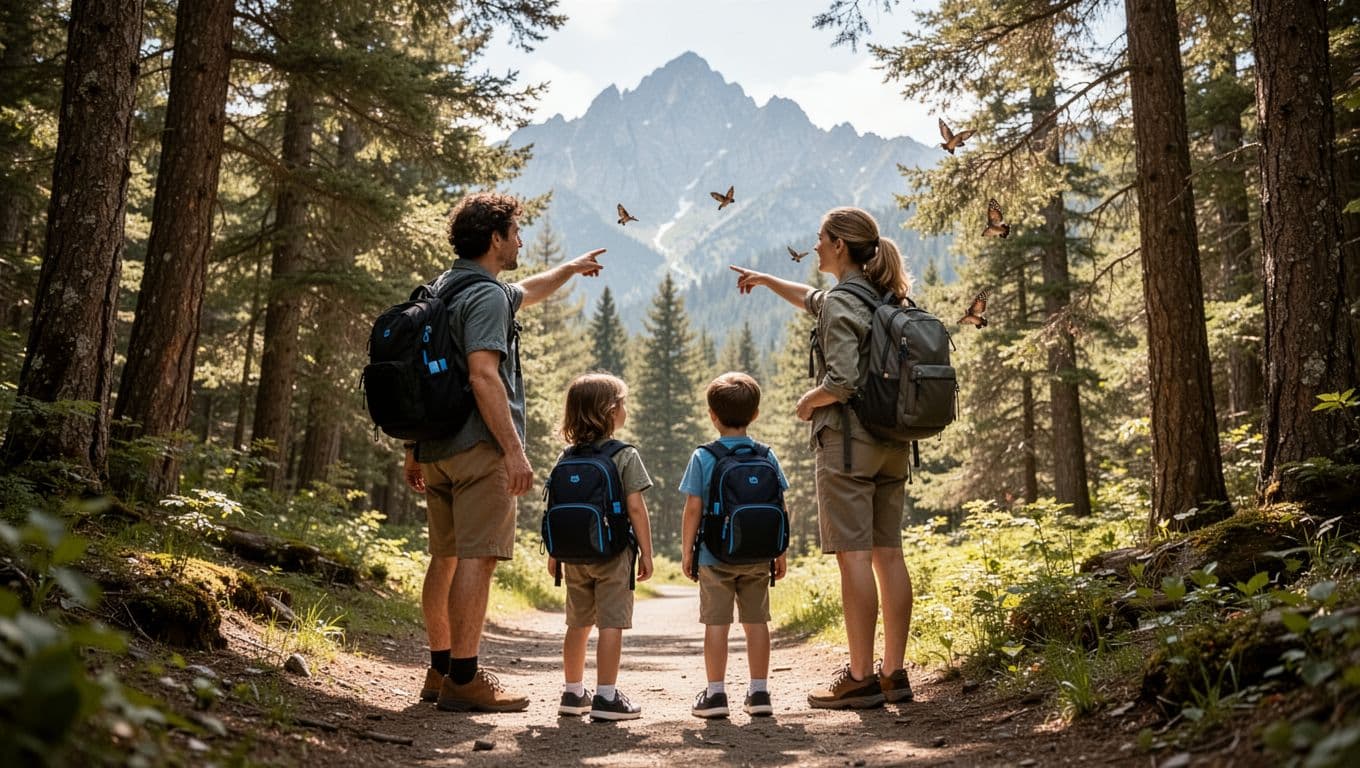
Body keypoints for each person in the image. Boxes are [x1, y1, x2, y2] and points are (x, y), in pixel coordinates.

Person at [403, 191, 605, 713]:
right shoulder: (486, 296)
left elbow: (527, 291)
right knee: (478, 558)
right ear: (495, 239)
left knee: (444, 557)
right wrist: (514, 452)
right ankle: (466, 680)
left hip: (436, 447)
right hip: (478, 448)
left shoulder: (442, 287)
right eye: (516, 233)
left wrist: (413, 447)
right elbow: (483, 374)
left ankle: (440, 668)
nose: (521, 241)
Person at [729, 206, 915, 709]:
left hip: (849, 445)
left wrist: (807, 402)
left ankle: (858, 677)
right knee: (889, 555)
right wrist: (768, 280)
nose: (813, 247)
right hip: (895, 444)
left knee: (854, 558)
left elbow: (842, 381)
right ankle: (894, 673)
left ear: (838, 245)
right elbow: (812, 301)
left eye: (819, 239)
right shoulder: (885, 296)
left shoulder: (841, 303)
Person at [679, 372, 789, 719]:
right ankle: (759, 692)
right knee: (757, 622)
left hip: (714, 555)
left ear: (712, 415)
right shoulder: (766, 455)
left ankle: (715, 695)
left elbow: (693, 507)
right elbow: (780, 506)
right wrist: (780, 550)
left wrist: (687, 552)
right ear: (755, 415)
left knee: (717, 624)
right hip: (758, 554)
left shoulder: (704, 456)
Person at [548, 372, 655, 721]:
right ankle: (606, 697)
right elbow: (636, 508)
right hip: (614, 553)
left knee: (577, 623)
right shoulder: (624, 455)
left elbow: (556, 508)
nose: (625, 410)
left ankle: (573, 692)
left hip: (573, 554)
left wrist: (555, 554)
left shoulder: (566, 456)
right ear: (610, 411)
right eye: (622, 404)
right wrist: (646, 552)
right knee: (611, 623)